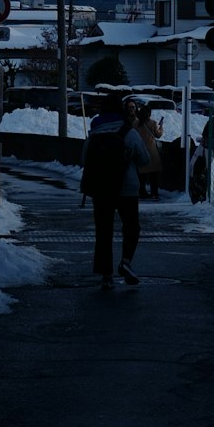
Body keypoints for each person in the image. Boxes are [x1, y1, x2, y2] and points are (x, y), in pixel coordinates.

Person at [80, 93, 150, 288]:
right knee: (131, 227)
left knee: (104, 230)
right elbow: (145, 159)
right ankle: (126, 262)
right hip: (126, 188)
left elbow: (84, 160)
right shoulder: (129, 131)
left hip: (101, 188)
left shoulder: (95, 132)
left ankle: (106, 276)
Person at [135, 102, 164, 199]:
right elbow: (158, 135)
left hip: (140, 151)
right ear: (149, 113)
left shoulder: (135, 123)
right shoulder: (153, 123)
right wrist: (161, 127)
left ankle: (141, 192)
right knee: (153, 175)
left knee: (141, 175)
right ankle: (154, 193)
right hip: (152, 152)